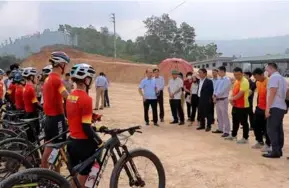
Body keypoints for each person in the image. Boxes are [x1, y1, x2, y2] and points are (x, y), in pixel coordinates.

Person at [66, 63, 105, 187]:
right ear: (87, 79)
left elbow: (74, 115)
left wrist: (92, 116)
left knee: (75, 176)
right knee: (84, 175)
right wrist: (99, 141)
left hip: (72, 141)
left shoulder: (70, 96)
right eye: (91, 78)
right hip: (83, 143)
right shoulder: (86, 99)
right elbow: (86, 127)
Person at [41, 51, 70, 169]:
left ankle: (45, 170)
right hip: (56, 117)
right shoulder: (56, 80)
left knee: (49, 145)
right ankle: (50, 172)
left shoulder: (49, 78)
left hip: (49, 117)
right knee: (58, 146)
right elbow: (67, 96)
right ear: (61, 64)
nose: (66, 68)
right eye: (66, 65)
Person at [263, 63, 287, 158]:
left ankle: (275, 151)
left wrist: (268, 108)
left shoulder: (273, 77)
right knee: (278, 129)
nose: (266, 72)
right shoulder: (282, 78)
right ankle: (278, 150)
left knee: (271, 129)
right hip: (281, 107)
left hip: (275, 106)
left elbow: (272, 92)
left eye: (267, 70)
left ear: (271, 68)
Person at [226, 67, 250, 144]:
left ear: (242, 73)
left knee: (244, 122)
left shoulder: (245, 81)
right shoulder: (236, 81)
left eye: (238, 75)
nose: (237, 76)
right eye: (235, 75)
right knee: (235, 121)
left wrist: (231, 99)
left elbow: (240, 94)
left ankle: (245, 138)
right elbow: (234, 92)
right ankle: (233, 135)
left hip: (243, 106)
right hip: (236, 105)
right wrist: (231, 98)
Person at [251, 68, 271, 151]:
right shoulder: (258, 82)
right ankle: (259, 141)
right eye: (255, 78)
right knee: (256, 125)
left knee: (266, 128)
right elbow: (252, 89)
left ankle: (268, 144)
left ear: (262, 75)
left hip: (267, 108)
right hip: (259, 107)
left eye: (257, 77)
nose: (256, 79)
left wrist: (268, 109)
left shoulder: (269, 81)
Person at [22, 67, 42, 142]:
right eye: (35, 76)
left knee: (30, 136)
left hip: (27, 112)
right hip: (32, 113)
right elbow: (35, 103)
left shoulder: (25, 87)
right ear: (31, 77)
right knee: (34, 136)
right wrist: (44, 109)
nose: (36, 78)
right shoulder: (30, 88)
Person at [212, 66, 231, 137]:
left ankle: (226, 130)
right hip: (217, 99)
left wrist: (216, 95)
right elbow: (215, 88)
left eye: (219, 71)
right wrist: (214, 95)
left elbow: (223, 90)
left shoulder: (227, 80)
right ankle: (220, 128)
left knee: (224, 115)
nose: (218, 73)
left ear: (222, 71)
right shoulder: (219, 80)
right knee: (219, 115)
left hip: (223, 99)